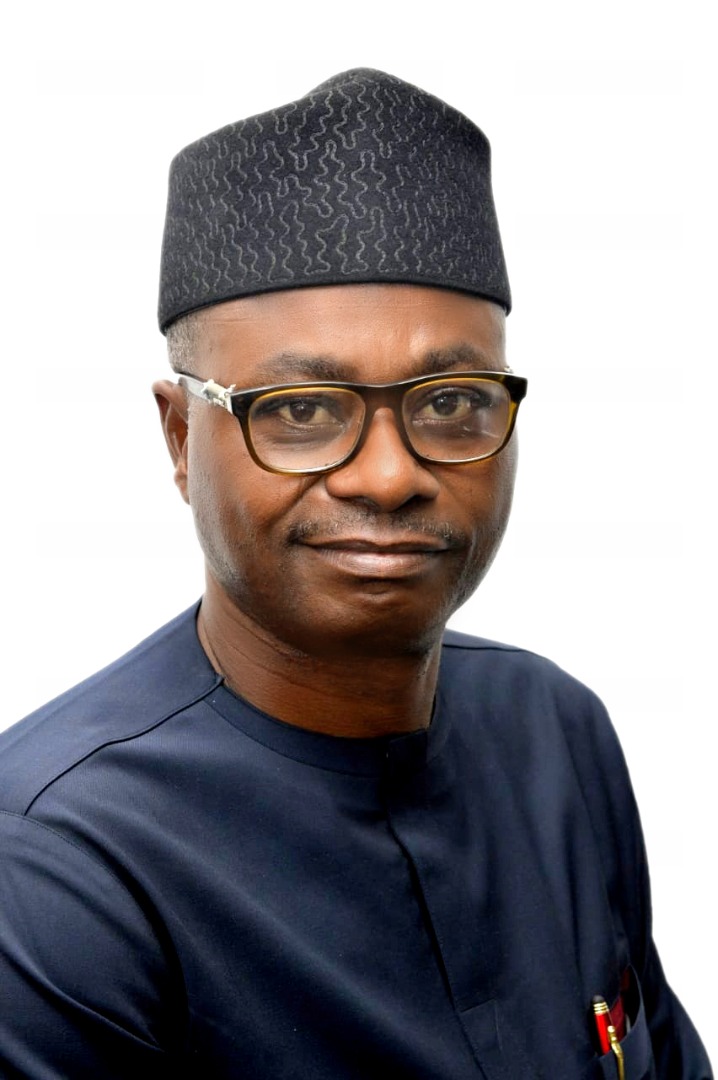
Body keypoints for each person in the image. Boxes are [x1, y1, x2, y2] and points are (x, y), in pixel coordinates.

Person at [0, 68, 710, 1080]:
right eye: (300, 411)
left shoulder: (558, 731)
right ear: (180, 437)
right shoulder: (54, 867)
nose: (388, 475)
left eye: (451, 401)